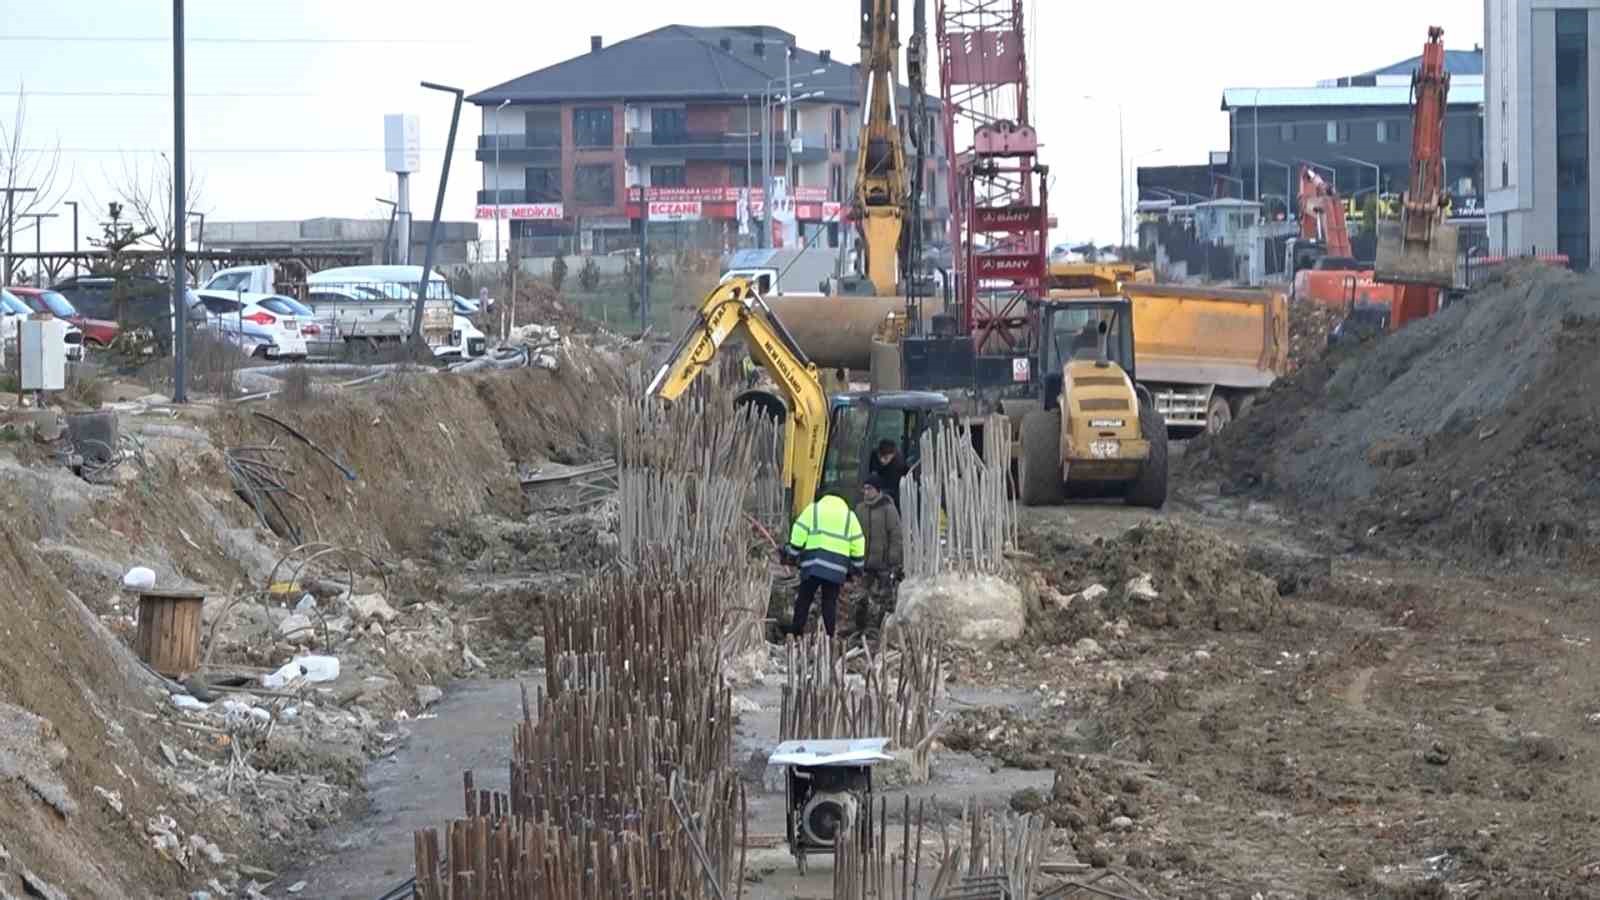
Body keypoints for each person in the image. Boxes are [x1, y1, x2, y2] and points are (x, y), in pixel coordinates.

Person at [783, 485, 866, 639]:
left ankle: (796, 632)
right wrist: (856, 568)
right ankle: (829, 635)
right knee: (829, 602)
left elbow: (799, 530)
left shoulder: (813, 509)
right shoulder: (850, 516)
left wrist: (792, 553)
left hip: (813, 564)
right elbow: (858, 542)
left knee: (804, 599)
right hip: (837, 568)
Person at [852, 475, 903, 631]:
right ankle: (860, 628)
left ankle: (880, 628)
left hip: (883, 562)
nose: (866, 492)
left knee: (884, 598)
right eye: (865, 488)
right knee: (861, 597)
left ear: (877, 490)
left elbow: (895, 534)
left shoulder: (888, 508)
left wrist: (894, 558)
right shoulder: (860, 508)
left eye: (870, 489)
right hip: (864, 562)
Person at [868, 440, 909, 509]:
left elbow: (895, 489)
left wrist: (882, 493)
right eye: (880, 456)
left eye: (886, 458)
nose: (882, 460)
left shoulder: (898, 465)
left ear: (893, 455)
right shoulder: (874, 456)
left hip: (893, 491)